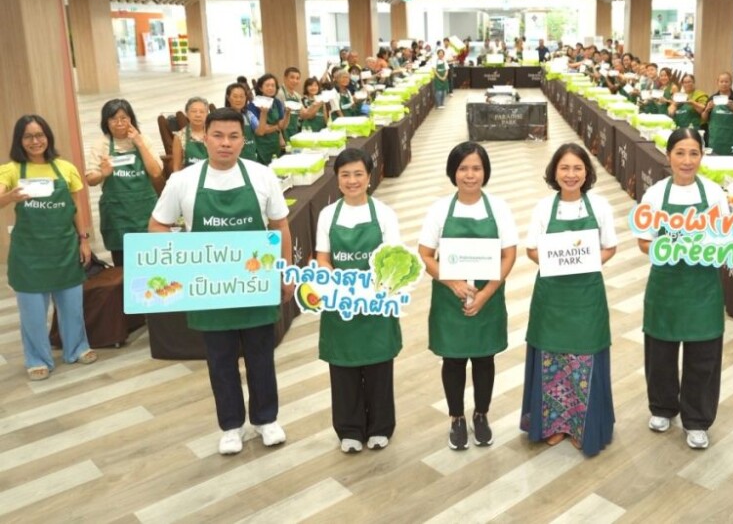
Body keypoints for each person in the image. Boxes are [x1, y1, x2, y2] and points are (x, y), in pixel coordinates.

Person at [148, 108, 293, 455]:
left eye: (233, 136)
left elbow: (280, 226)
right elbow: (157, 226)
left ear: (243, 140)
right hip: (210, 290)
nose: (225, 143)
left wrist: (285, 271)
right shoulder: (182, 180)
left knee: (261, 356)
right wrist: (183, 263)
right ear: (204, 139)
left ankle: (266, 419)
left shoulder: (262, 176)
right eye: (218, 135)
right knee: (220, 361)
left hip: (255, 284)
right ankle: (231, 426)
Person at [418, 142, 518, 450]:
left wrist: (486, 293)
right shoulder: (439, 210)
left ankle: (481, 415)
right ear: (453, 172)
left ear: (485, 172)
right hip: (450, 298)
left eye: (476, 168)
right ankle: (456, 418)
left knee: (485, 358)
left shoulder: (499, 208)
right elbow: (425, 254)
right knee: (454, 360)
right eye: (463, 168)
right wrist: (452, 282)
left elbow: (509, 255)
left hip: (489, 296)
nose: (470, 175)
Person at [521, 143, 617, 455]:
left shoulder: (600, 206)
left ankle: (581, 427)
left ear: (587, 172)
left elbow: (610, 247)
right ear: (554, 172)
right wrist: (556, 263)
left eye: (577, 168)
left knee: (583, 358)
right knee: (552, 358)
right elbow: (531, 250)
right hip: (552, 297)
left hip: (587, 296)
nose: (571, 174)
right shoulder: (543, 208)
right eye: (564, 168)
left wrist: (586, 262)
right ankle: (553, 426)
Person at [638, 129, 730, 449]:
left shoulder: (714, 194)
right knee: (660, 353)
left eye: (694, 153)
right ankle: (662, 407)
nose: (687, 161)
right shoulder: (655, 195)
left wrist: (710, 247)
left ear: (702, 156)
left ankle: (697, 419)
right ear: (668, 156)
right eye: (680, 153)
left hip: (703, 288)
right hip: (665, 285)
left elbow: (724, 237)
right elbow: (644, 241)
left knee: (703, 356)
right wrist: (669, 249)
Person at [314, 148, 402, 454]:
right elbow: (323, 258)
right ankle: (349, 429)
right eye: (345, 175)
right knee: (343, 370)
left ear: (369, 177)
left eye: (358, 174)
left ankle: (380, 426)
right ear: (337, 179)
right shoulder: (327, 215)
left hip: (376, 304)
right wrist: (335, 282)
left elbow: (393, 259)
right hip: (341, 306)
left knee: (379, 369)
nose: (352, 181)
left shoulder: (385, 214)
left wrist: (373, 287)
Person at [1, 115, 97, 380]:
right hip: (29, 255)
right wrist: (9, 196)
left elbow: (76, 207)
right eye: (28, 136)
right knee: (33, 313)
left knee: (72, 306)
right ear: (19, 140)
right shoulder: (11, 170)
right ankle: (37, 359)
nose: (35, 141)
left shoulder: (65, 168)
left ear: (48, 137)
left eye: (40, 135)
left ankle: (77, 348)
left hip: (64, 248)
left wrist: (84, 239)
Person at [85, 99, 163, 266]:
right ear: (106, 122)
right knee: (124, 266)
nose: (119, 123)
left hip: (145, 211)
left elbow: (156, 172)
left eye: (123, 118)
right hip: (117, 216)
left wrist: (139, 144)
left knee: (152, 261)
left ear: (131, 119)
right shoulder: (102, 143)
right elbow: (90, 179)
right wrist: (103, 174)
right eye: (113, 119)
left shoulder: (144, 140)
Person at [705, 72, 733, 155]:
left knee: (732, 159)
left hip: (732, 137)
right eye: (721, 82)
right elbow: (704, 118)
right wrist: (707, 110)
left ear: (731, 83)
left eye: (726, 82)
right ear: (717, 83)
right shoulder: (712, 98)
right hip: (715, 138)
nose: (724, 84)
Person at [247, 73, 287, 165]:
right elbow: (261, 130)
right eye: (267, 85)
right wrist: (276, 127)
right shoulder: (253, 105)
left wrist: (275, 128)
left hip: (275, 143)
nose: (270, 88)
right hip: (260, 145)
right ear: (261, 88)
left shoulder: (277, 103)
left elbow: (281, 124)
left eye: (273, 85)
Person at [224, 82, 261, 163]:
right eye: (235, 96)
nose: (239, 100)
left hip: (251, 160)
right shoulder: (222, 118)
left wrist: (264, 112)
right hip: (232, 162)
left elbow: (260, 131)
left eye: (241, 96)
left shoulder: (249, 115)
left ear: (245, 98)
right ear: (228, 98)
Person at [171, 97, 210, 172]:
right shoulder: (179, 136)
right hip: (188, 177)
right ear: (187, 113)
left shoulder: (214, 134)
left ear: (207, 114)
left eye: (202, 112)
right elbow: (176, 167)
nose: (198, 115)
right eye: (194, 111)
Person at [277, 66, 303, 142]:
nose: (295, 81)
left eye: (297, 78)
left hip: (294, 131)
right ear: (285, 78)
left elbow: (303, 114)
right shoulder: (279, 94)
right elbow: (276, 119)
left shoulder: (297, 96)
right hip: (283, 133)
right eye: (292, 77)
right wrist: (281, 138)